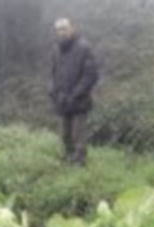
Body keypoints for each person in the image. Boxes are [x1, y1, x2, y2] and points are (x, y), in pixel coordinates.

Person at [50, 18, 99, 165]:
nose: (62, 32)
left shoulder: (84, 47)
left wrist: (76, 93)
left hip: (79, 100)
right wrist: (54, 92)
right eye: (59, 29)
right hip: (62, 99)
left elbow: (91, 74)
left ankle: (79, 163)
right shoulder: (56, 50)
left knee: (78, 135)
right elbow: (53, 74)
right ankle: (67, 160)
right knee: (65, 135)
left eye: (64, 28)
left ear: (72, 28)